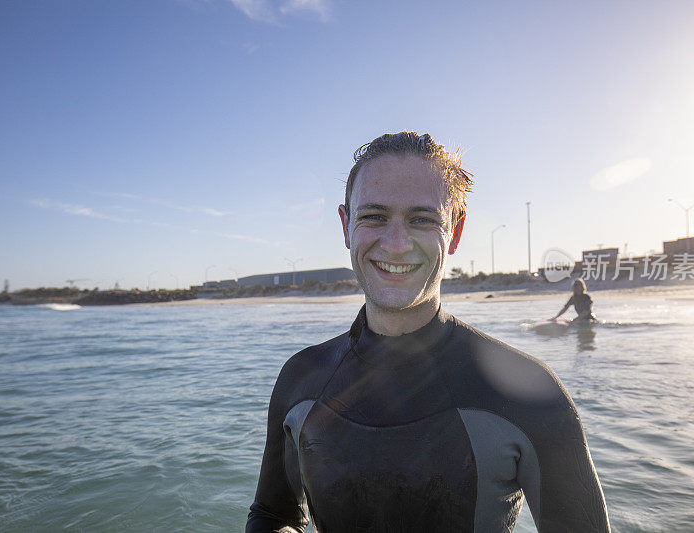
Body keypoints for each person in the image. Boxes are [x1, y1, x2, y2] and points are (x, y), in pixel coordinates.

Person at [246, 132, 610, 532]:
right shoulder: (301, 377)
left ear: (454, 232)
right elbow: (273, 515)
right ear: (346, 225)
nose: (397, 243)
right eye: (374, 216)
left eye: (422, 219)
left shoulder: (530, 393)